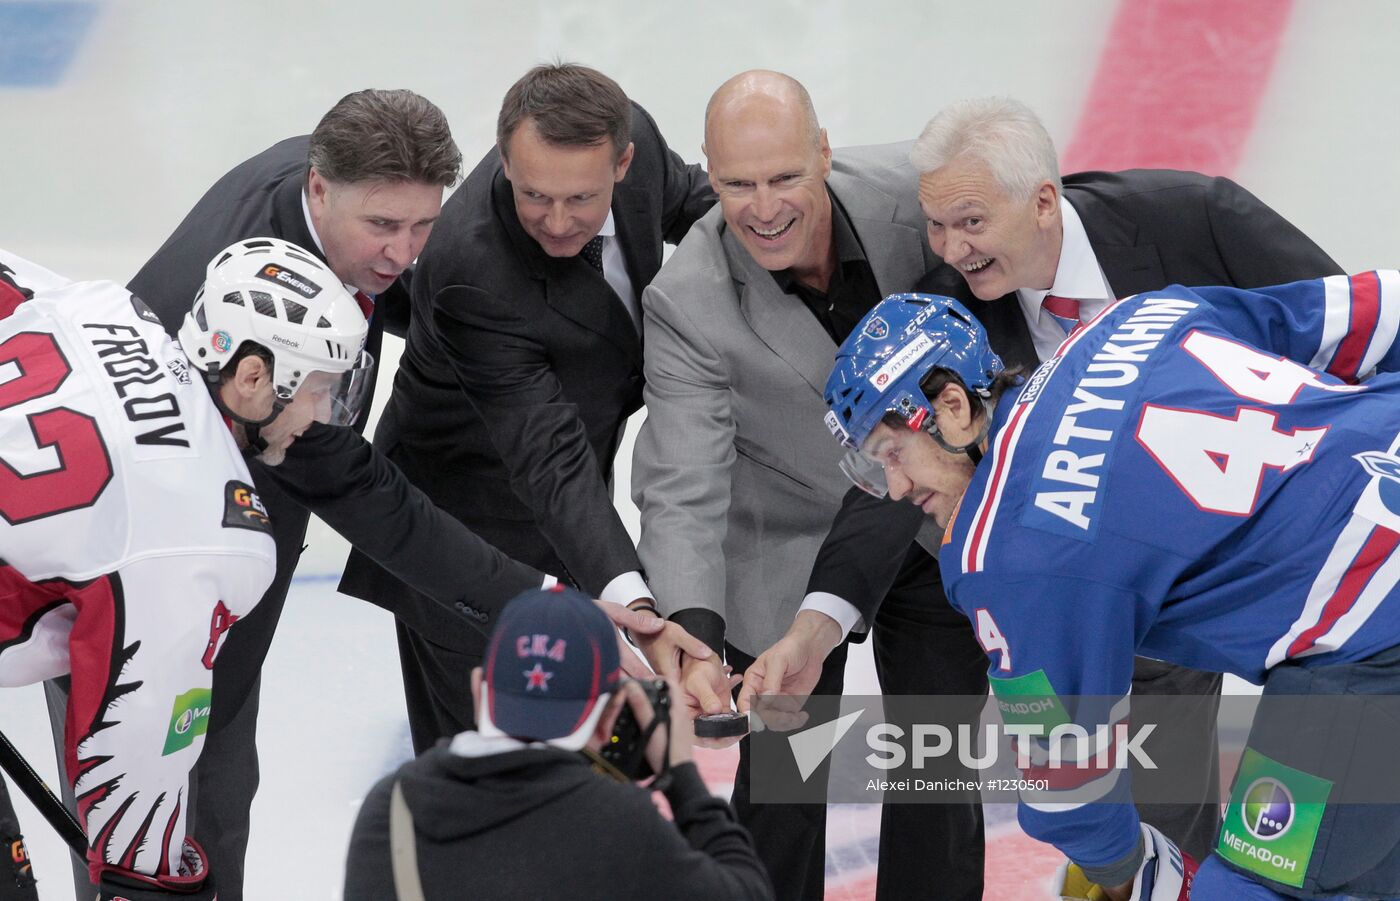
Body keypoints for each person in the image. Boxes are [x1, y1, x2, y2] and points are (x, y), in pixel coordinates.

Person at [752, 95, 1347, 865]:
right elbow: (899, 467)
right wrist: (817, 625)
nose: (951, 247)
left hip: (1302, 566)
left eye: (970, 221)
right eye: (935, 224)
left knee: (1312, 842)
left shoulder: (1192, 219)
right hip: (1121, 606)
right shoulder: (948, 310)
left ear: (1041, 202)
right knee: (1162, 842)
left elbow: (1339, 327)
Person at [118, 89, 665, 900]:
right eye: (383, 228)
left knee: (218, 801)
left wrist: (549, 595)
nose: (405, 253)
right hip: (134, 573)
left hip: (244, 536)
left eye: (423, 226)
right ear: (317, 190)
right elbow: (364, 493)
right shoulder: (225, 335)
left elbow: (353, 461)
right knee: (143, 827)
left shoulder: (342, 203)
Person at [820, 284, 1400, 900]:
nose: (896, 486)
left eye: (892, 452)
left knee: (1250, 888)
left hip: (1371, 632)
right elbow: (1376, 308)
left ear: (954, 407)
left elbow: (1067, 778)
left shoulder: (1004, 548)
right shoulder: (1137, 317)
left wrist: (1137, 876)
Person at [632, 70, 987, 900]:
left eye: (785, 176)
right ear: (708, 179)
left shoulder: (916, 196)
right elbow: (682, 480)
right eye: (736, 185)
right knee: (787, 786)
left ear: (825, 152)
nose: (762, 207)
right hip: (789, 547)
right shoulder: (686, 299)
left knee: (938, 770)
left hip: (933, 526)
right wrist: (691, 630)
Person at [339, 63, 716, 754]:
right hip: (466, 539)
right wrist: (637, 608)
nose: (558, 219)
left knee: (573, 774)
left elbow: (696, 205)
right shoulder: (470, 270)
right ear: (505, 160)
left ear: (623, 161)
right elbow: (549, 458)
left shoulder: (635, 138)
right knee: (483, 783)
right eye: (534, 193)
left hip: (570, 517)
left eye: (582, 197)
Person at [0, 238, 368, 898]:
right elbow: (133, 776)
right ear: (253, 379)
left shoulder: (109, 308)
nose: (323, 416)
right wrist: (151, 881)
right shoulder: (212, 536)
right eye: (318, 390)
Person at [342, 585, 772, 901]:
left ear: (478, 691)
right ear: (611, 717)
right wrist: (682, 776)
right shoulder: (619, 825)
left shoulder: (390, 808)